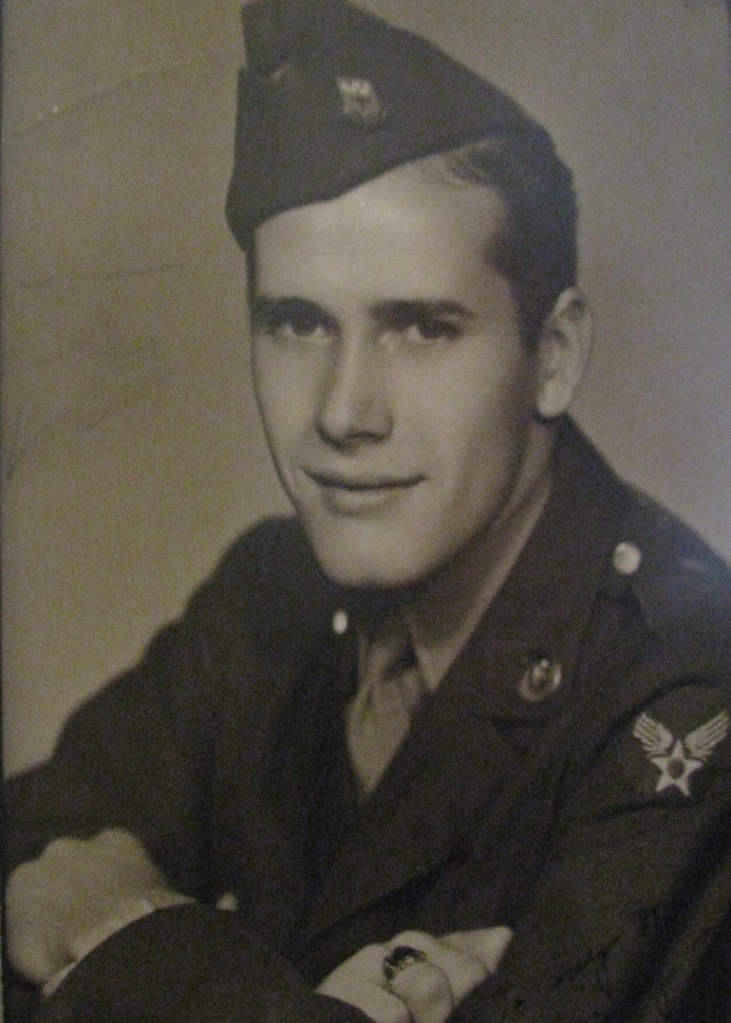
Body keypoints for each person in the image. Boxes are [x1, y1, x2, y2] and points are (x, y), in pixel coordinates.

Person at [4, 1, 731, 1020]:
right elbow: (27, 840)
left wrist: (129, 935)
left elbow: (67, 898)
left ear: (553, 357)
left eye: (420, 328)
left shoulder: (687, 689)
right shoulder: (267, 592)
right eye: (297, 323)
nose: (343, 414)